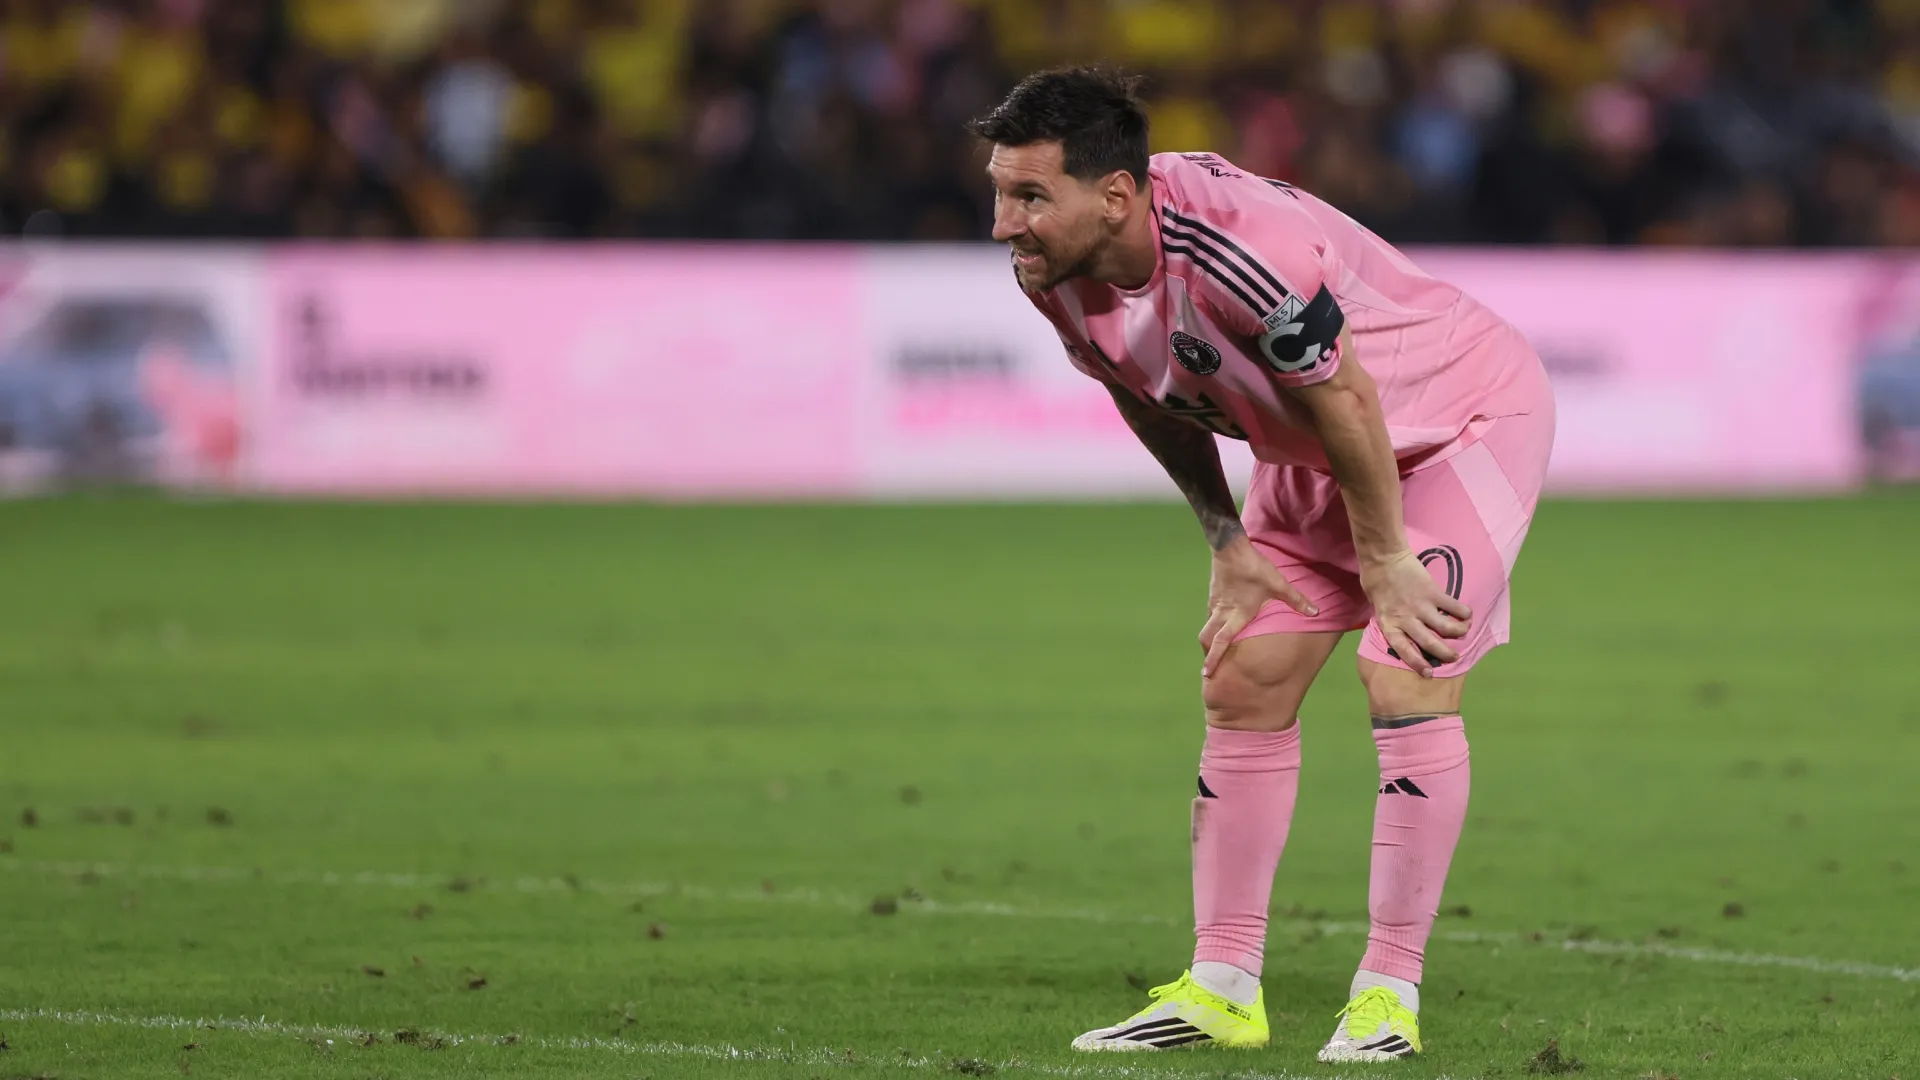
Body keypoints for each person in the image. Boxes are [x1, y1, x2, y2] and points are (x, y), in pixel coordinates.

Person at [967, 67, 1556, 1062]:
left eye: (1029, 196)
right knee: (1243, 675)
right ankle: (1223, 988)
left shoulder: (1243, 254)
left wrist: (1386, 558)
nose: (1003, 225)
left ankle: (1386, 998)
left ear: (1114, 195)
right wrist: (1226, 538)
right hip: (1320, 449)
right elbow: (1147, 394)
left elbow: (1351, 398)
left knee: (1405, 667)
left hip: (1457, 425)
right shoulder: (1051, 274)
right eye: (999, 191)